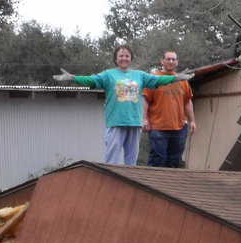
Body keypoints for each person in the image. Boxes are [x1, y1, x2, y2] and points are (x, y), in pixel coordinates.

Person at [53, 46, 188, 166]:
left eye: (127, 56)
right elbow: (92, 80)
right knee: (112, 160)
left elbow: (158, 80)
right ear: (116, 59)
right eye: (121, 56)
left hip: (134, 122)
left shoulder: (139, 75)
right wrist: (73, 78)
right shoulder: (108, 74)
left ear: (130, 59)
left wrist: (175, 78)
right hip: (115, 122)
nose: (124, 58)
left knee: (131, 162)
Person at [143, 49, 196, 168]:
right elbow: (145, 100)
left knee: (174, 162)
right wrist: (144, 119)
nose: (171, 61)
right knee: (158, 160)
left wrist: (192, 121)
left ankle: (167, 186)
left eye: (173, 59)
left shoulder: (182, 80)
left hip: (179, 128)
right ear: (162, 61)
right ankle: (151, 185)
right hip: (158, 128)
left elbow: (187, 102)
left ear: (177, 62)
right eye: (168, 59)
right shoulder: (154, 78)